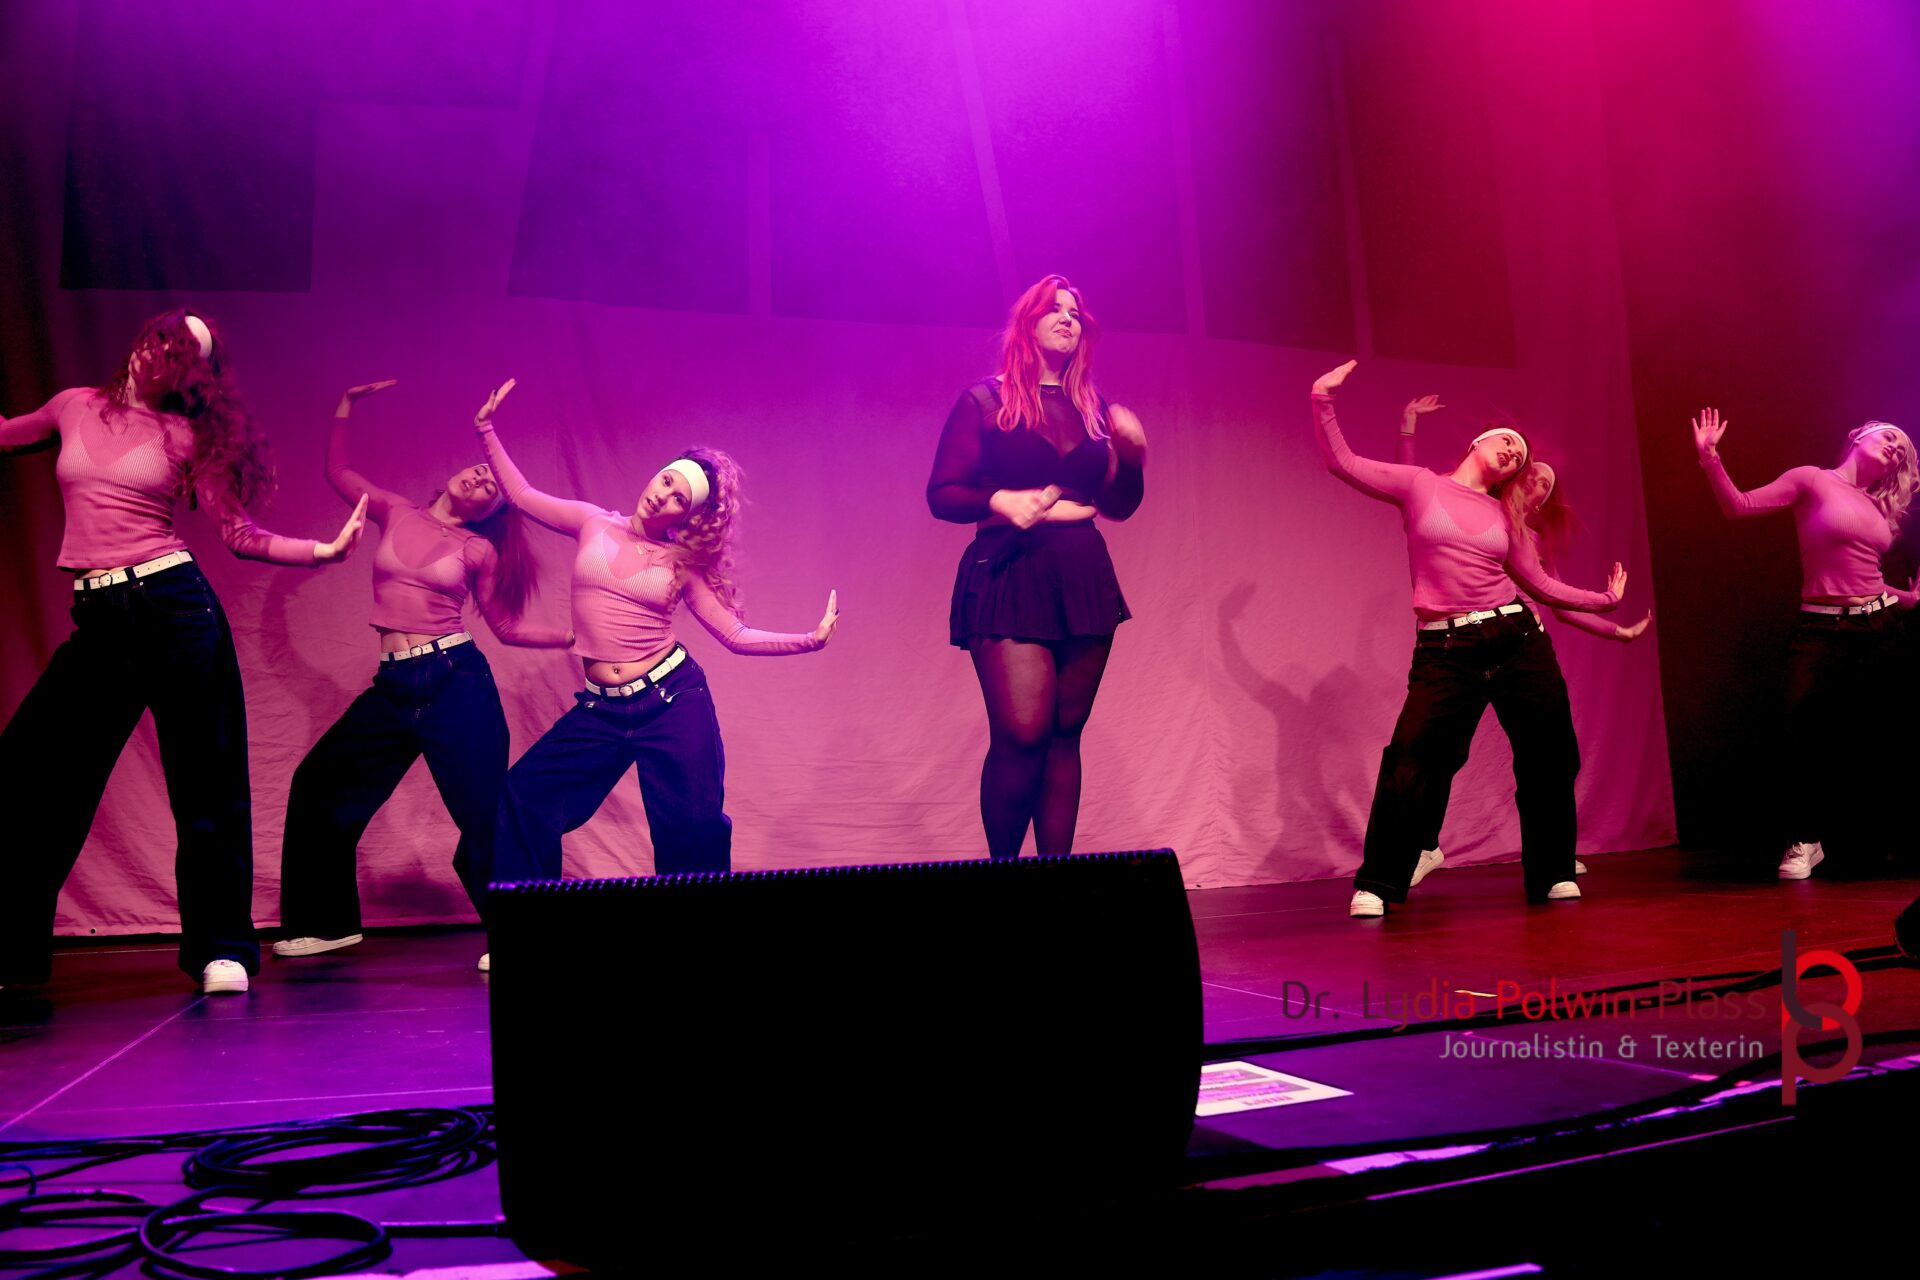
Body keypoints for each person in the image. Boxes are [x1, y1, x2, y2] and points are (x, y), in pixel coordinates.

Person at [0, 310, 367, 994]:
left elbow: (239, 533)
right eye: (158, 339)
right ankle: (10, 955)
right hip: (101, 618)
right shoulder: (72, 405)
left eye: (179, 353)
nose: (158, 353)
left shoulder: (186, 436)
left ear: (191, 375)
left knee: (207, 785)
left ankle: (221, 948)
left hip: (176, 609)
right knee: (31, 777)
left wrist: (322, 551)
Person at [476, 381, 836, 966]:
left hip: (672, 701)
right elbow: (521, 494)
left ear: (686, 516)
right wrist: (486, 429)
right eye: (666, 480)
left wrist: (809, 640)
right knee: (526, 795)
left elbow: (735, 636)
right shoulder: (592, 522)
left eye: (678, 498)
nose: (662, 495)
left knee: (691, 828)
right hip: (602, 709)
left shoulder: (680, 564)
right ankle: (526, 935)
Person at [1309, 361, 1622, 917]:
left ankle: (1553, 871)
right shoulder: (1420, 485)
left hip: (1516, 638)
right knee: (1412, 757)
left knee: (1549, 754)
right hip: (1446, 648)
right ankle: (1378, 882)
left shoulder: (1504, 514)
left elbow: (1539, 583)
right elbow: (1344, 462)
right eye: (1506, 442)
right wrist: (1322, 399)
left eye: (1519, 455)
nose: (1512, 453)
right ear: (1479, 442)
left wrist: (1604, 600)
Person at [273, 380, 572, 962]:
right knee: (318, 785)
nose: (480, 479)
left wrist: (570, 637)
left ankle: (519, 937)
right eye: (477, 471)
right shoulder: (395, 511)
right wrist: (345, 405)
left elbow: (506, 627)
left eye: (491, 486)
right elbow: (339, 472)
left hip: (455, 681)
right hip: (394, 686)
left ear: (491, 512)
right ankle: (328, 924)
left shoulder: (478, 550)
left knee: (483, 813)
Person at [927, 274, 1147, 860]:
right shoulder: (985, 401)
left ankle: (1056, 882)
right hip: (1009, 571)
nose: (1068, 318)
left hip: (1081, 574)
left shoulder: (1093, 409)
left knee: (1063, 736)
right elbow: (942, 493)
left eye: (1075, 312)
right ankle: (1003, 880)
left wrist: (1132, 459)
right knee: (1022, 733)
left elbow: (1120, 505)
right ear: (1027, 323)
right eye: (1055, 309)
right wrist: (1000, 500)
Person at [1396, 396, 1651, 878]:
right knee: (1440, 751)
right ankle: (1424, 844)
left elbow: (1557, 602)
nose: (1537, 482)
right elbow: (1412, 490)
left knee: (1549, 754)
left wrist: (1617, 630)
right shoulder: (1477, 514)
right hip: (1465, 644)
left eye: (1546, 484)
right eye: (1534, 474)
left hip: (1522, 647)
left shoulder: (1525, 541)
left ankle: (1553, 856)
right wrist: (1407, 428)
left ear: (1543, 501)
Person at [1692, 408, 1916, 879]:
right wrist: (1710, 459)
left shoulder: (1877, 506)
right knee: (1802, 732)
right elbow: (1739, 506)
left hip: (1878, 628)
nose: (1895, 446)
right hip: (1820, 630)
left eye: (1901, 447)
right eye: (1888, 436)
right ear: (1858, 436)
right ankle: (1806, 839)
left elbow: (1865, 578)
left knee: (1881, 735)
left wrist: (1907, 598)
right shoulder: (1812, 480)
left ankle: (1883, 839)